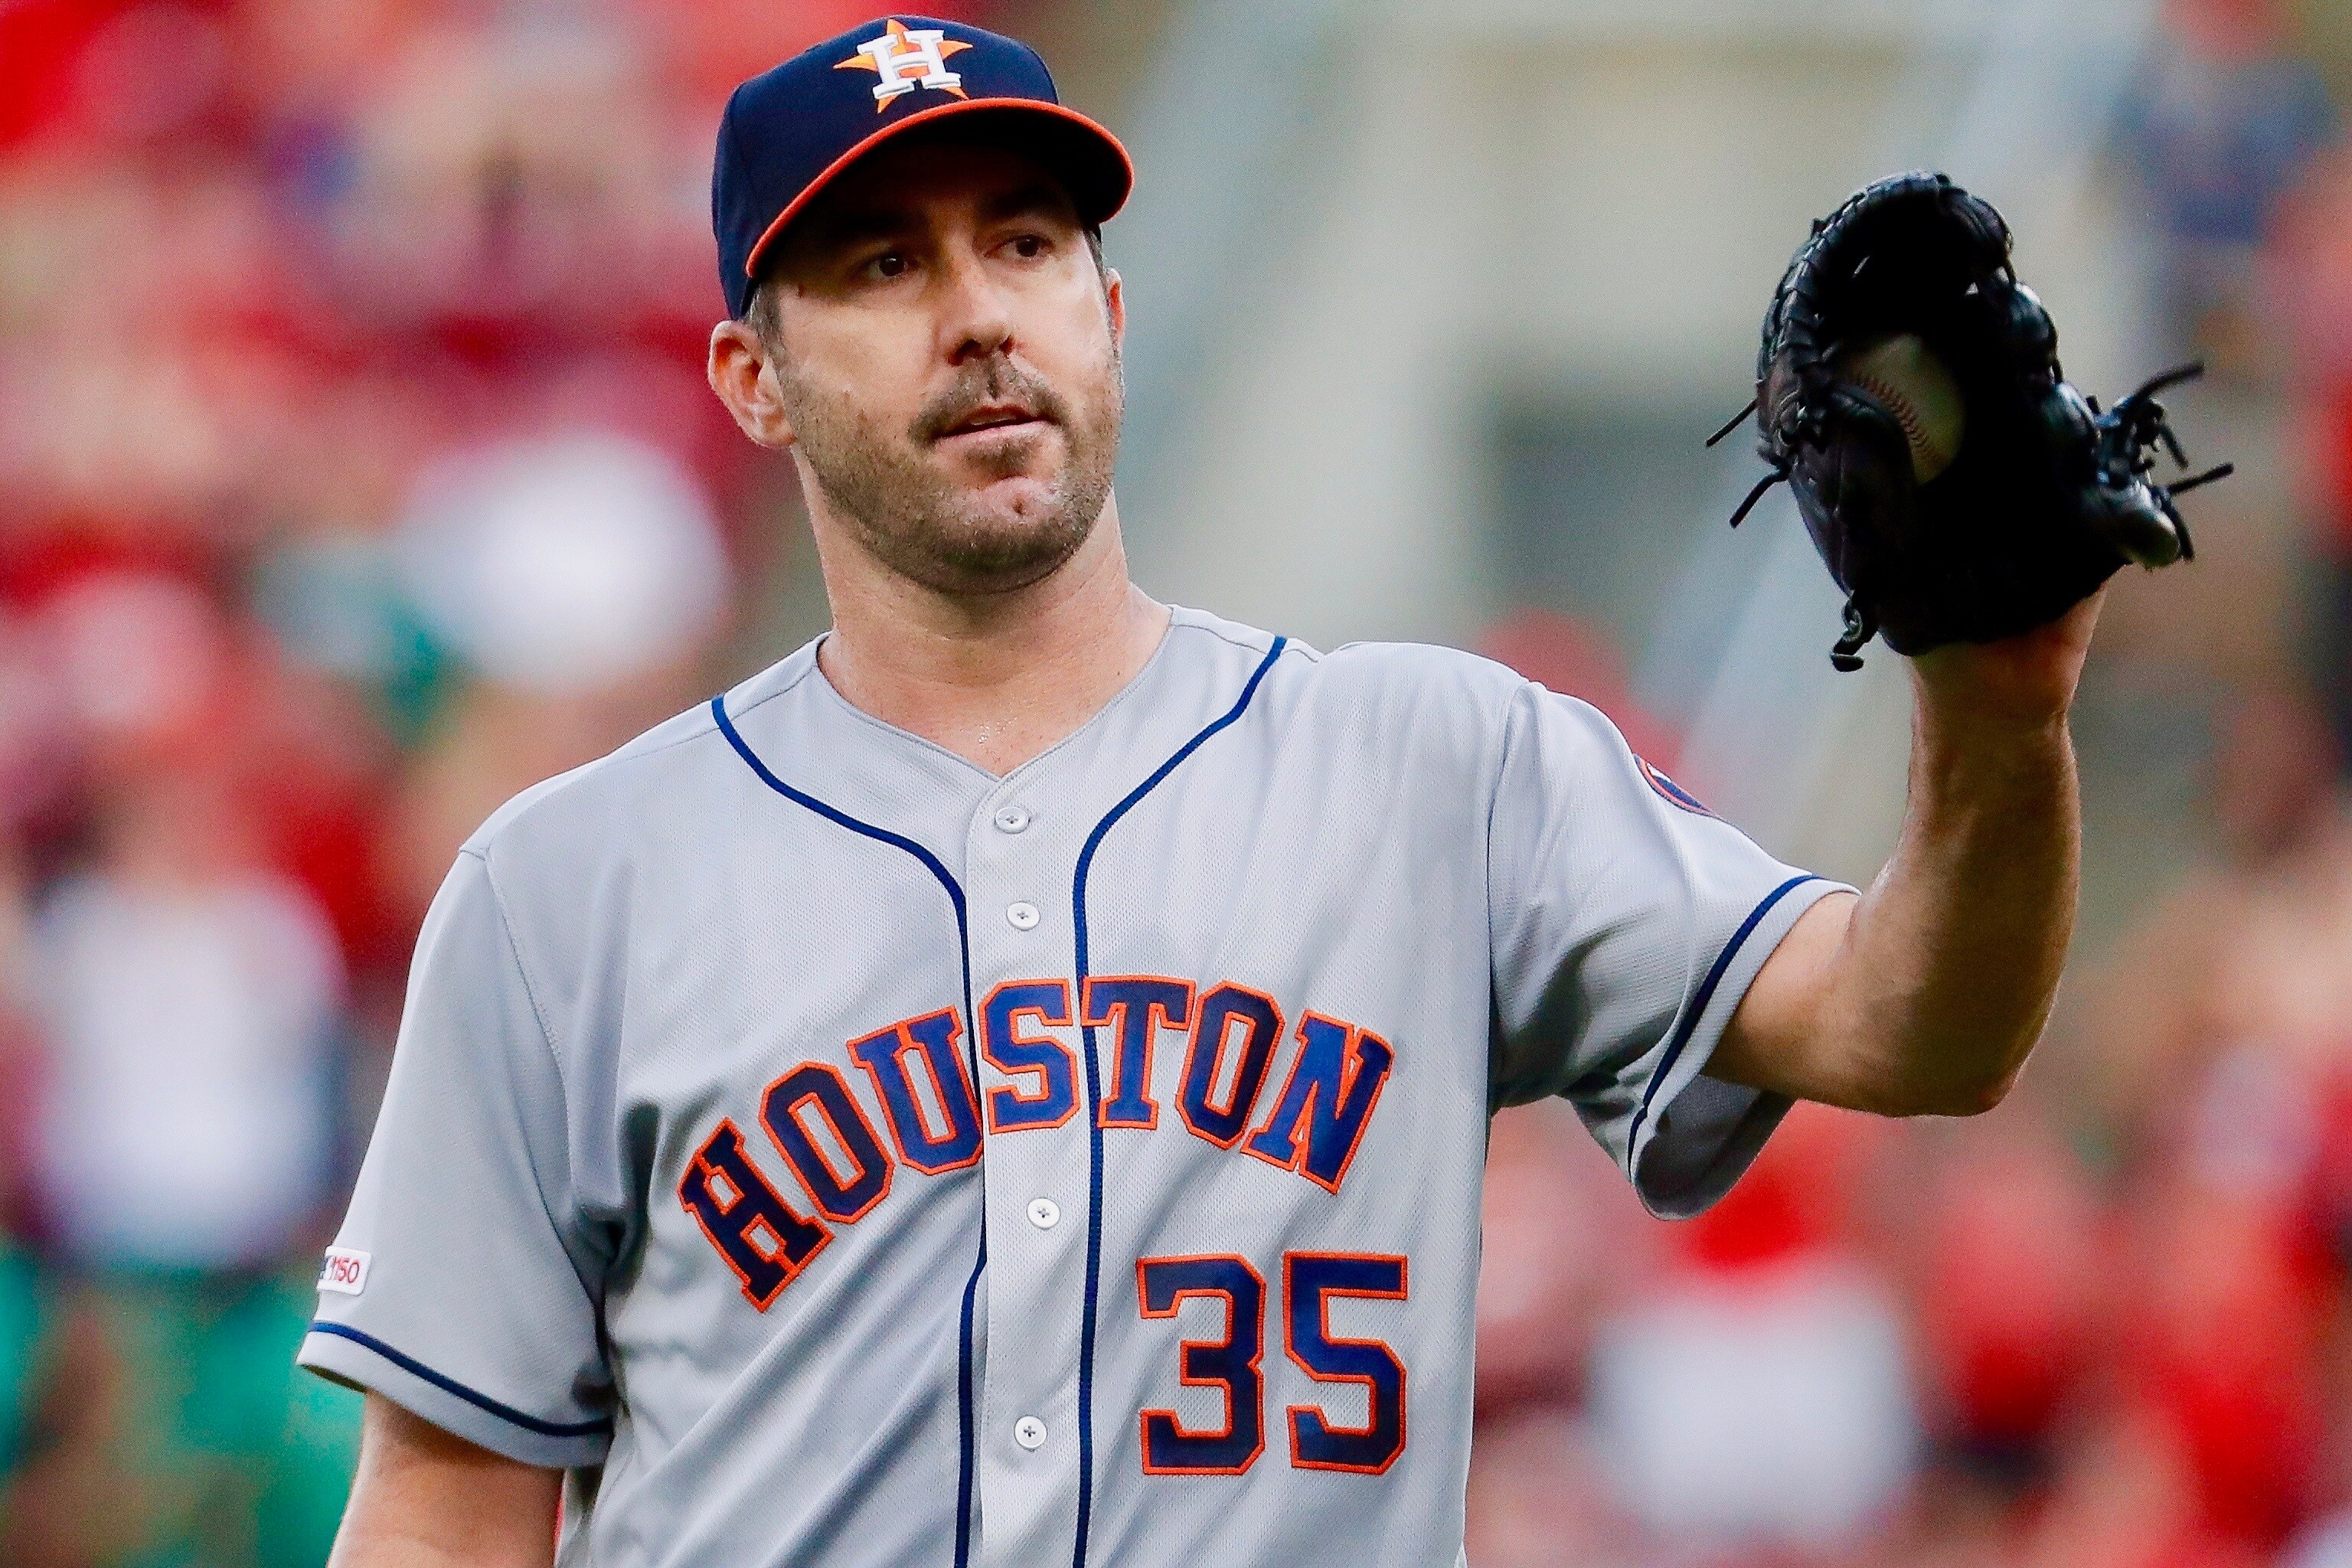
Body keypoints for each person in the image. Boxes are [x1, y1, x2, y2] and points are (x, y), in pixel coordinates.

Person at [305, 16, 2099, 1567]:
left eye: (1024, 243)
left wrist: (1996, 710)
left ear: (1108, 312)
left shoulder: (1435, 767)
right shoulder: (566, 889)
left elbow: (1913, 1026)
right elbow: (444, 1511)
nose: (977, 317)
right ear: (751, 382)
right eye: (883, 265)